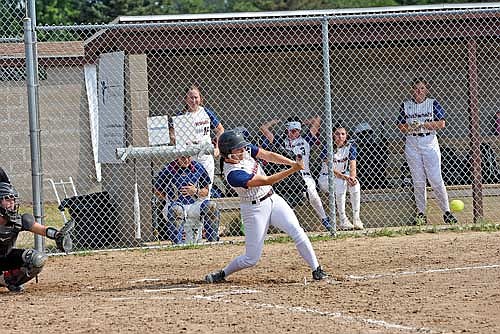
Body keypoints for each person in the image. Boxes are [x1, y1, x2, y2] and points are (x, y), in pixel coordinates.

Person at [204, 130, 328, 283]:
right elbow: (267, 180)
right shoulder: (233, 174)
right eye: (238, 149)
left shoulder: (246, 151)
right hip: (254, 209)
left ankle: (317, 269)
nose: (243, 151)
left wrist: (291, 162)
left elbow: (268, 155)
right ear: (228, 153)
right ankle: (223, 273)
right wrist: (292, 170)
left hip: (273, 199)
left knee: (297, 230)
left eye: (243, 148)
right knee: (251, 259)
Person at [397, 78, 458, 225]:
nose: (419, 91)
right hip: (412, 142)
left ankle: (447, 212)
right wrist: (411, 127)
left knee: (436, 179)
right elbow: (400, 125)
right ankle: (421, 214)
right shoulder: (406, 105)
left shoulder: (432, 103)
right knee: (418, 181)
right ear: (412, 90)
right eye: (416, 88)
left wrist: (424, 124)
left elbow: (441, 123)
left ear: (426, 90)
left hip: (429, 141)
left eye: (422, 88)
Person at [259, 116, 334, 234]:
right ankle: (290, 226)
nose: (295, 133)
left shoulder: (306, 140)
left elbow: (317, 119)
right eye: (292, 130)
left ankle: (325, 219)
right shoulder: (280, 141)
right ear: (287, 130)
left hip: (304, 174)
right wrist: (276, 121)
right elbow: (263, 128)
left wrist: (301, 123)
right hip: (289, 176)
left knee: (313, 194)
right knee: (288, 199)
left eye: (297, 130)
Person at [0, 181, 72, 292]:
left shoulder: (18, 221)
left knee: (36, 259)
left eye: (13, 199)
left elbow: (42, 229)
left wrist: (58, 235)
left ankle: (7, 280)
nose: (12, 203)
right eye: (8, 199)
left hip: (4, 258)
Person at [169, 85, 225, 198]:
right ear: (185, 99)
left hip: (205, 156)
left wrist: (217, 147)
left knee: (205, 190)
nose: (194, 100)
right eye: (191, 97)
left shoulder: (206, 112)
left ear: (200, 98)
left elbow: (220, 129)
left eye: (196, 97)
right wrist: (179, 142)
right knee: (189, 188)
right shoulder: (181, 115)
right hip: (189, 157)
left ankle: (204, 211)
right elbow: (171, 135)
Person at [154, 155, 220, 244]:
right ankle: (178, 243)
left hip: (194, 204)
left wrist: (196, 191)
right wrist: (169, 197)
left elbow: (206, 191)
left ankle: (213, 241)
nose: (186, 160)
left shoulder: (197, 167)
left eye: (189, 157)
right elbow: (157, 190)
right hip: (175, 204)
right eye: (183, 158)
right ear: (177, 157)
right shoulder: (169, 169)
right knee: (176, 210)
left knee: (211, 206)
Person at [318, 126, 363, 230]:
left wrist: (352, 177)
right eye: (337, 134)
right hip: (326, 178)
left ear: (346, 136)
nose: (340, 136)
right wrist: (344, 177)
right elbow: (330, 169)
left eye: (343, 134)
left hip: (343, 176)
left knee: (356, 184)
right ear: (333, 135)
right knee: (339, 183)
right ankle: (343, 219)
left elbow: (353, 166)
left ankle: (356, 218)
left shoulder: (350, 147)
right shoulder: (327, 147)